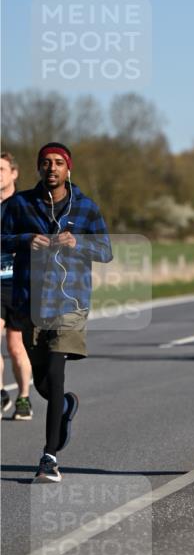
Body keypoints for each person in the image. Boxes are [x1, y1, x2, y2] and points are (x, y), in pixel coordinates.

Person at [1, 143, 112, 482]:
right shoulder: (20, 204)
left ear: (68, 169)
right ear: (38, 168)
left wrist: (79, 243)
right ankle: (63, 405)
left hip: (70, 303)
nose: (52, 168)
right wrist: (25, 240)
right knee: (44, 384)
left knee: (56, 371)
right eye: (46, 163)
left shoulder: (86, 208)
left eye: (58, 163)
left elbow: (106, 250)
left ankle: (49, 458)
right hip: (31, 301)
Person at [1, 152, 33, 419]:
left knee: (15, 346)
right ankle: (1, 392)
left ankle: (23, 397)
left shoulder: (24, 205)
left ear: (14, 173)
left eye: (1, 169)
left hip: (19, 283)